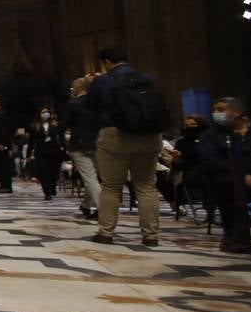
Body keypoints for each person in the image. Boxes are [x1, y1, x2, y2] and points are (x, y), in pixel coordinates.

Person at [85, 47, 170, 246]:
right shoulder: (147, 78)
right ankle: (151, 236)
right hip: (149, 135)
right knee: (146, 186)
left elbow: (89, 107)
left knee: (111, 187)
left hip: (115, 135)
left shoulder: (103, 81)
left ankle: (106, 232)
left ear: (107, 62)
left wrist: (92, 85)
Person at [199, 98, 251, 253]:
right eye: (214, 110)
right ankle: (236, 236)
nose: (216, 113)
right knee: (227, 186)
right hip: (231, 179)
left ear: (237, 112)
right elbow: (212, 161)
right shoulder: (211, 135)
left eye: (221, 109)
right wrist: (242, 177)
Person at [66, 77, 101, 219]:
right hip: (98, 142)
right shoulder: (98, 104)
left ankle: (103, 209)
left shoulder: (73, 104)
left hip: (79, 144)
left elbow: (67, 122)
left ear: (78, 88)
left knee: (90, 178)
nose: (72, 89)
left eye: (73, 87)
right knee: (94, 177)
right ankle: (86, 205)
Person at [26, 106, 66, 200]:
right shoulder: (34, 126)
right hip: (41, 152)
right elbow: (31, 142)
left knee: (54, 173)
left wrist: (65, 148)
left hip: (54, 152)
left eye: (47, 112)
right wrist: (28, 154)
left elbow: (61, 138)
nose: (46, 114)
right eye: (43, 112)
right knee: (44, 174)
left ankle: (52, 187)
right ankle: (47, 193)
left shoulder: (55, 125)